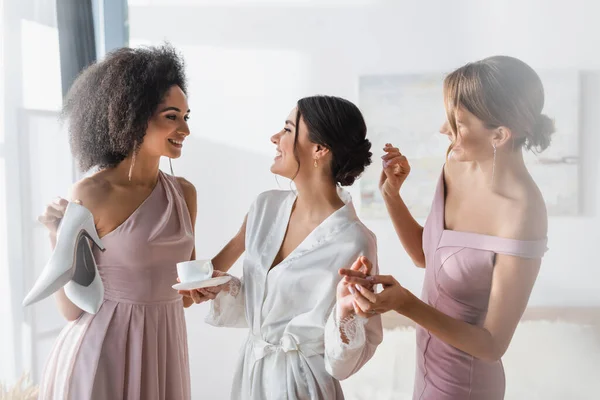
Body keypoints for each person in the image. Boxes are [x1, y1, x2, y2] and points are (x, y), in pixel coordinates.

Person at [342, 56, 553, 400]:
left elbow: (491, 346)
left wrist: (406, 304)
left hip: (466, 387)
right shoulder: (455, 163)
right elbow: (426, 257)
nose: (444, 130)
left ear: (499, 135)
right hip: (425, 373)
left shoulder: (524, 214)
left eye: (458, 122)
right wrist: (391, 197)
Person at [182, 95, 383, 400]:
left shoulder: (354, 240)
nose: (275, 138)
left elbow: (344, 362)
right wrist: (222, 287)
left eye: (288, 129)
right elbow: (260, 307)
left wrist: (344, 312)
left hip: (303, 385)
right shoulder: (265, 207)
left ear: (319, 148)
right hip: (252, 375)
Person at [36, 44, 196, 400]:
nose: (184, 128)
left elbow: (184, 292)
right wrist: (56, 235)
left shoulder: (184, 194)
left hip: (163, 350)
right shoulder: (93, 192)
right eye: (172, 116)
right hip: (101, 352)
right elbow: (71, 308)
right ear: (135, 116)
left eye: (186, 116)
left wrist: (245, 239)